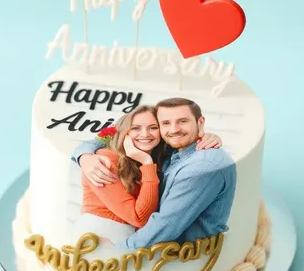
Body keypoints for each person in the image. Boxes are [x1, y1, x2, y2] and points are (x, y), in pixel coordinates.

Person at [71, 98, 237, 249]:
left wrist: (118, 251)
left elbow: (163, 224)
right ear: (125, 132)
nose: (145, 134)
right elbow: (140, 218)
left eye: (153, 127)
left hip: (171, 252)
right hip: (100, 237)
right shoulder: (106, 160)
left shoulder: (185, 161)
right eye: (165, 123)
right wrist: (84, 156)